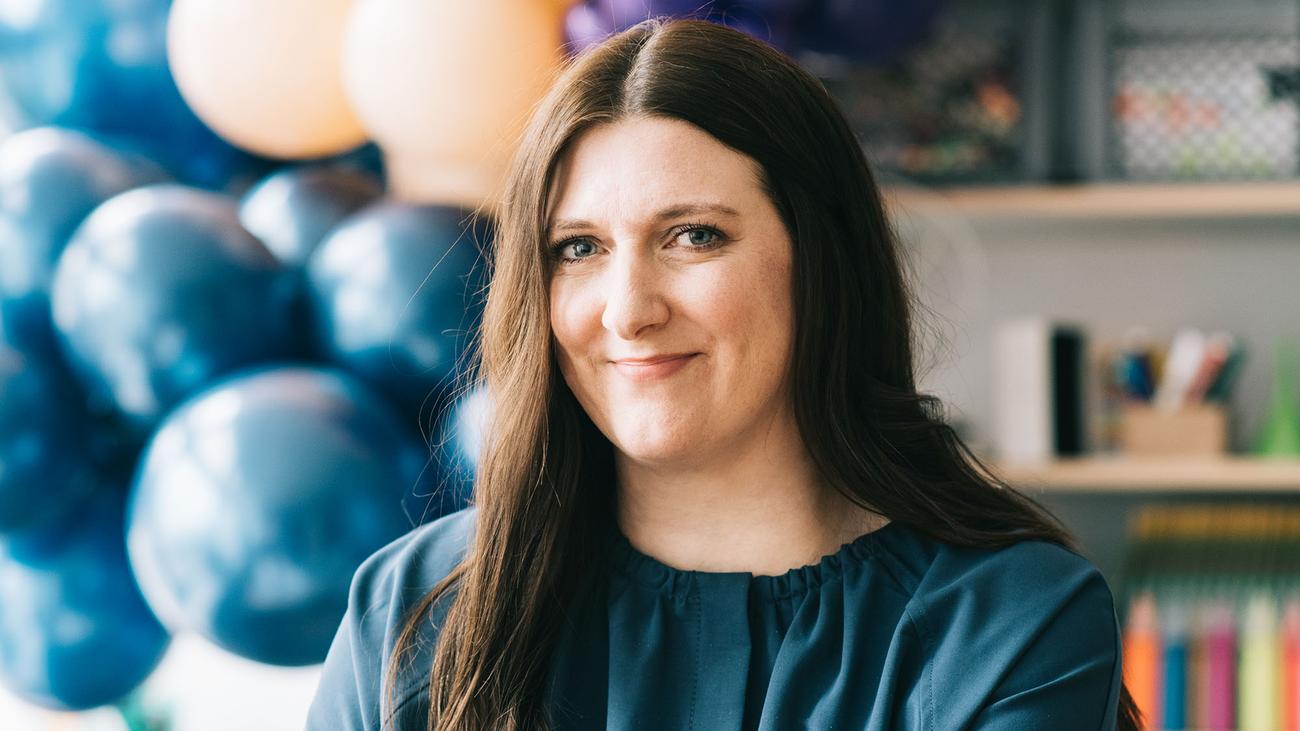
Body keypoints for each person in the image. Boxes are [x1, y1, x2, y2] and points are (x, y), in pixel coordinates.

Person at [306, 17, 1141, 731]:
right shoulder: (410, 608)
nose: (627, 310)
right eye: (579, 248)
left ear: (821, 261)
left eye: (694, 235)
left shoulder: (1013, 624)